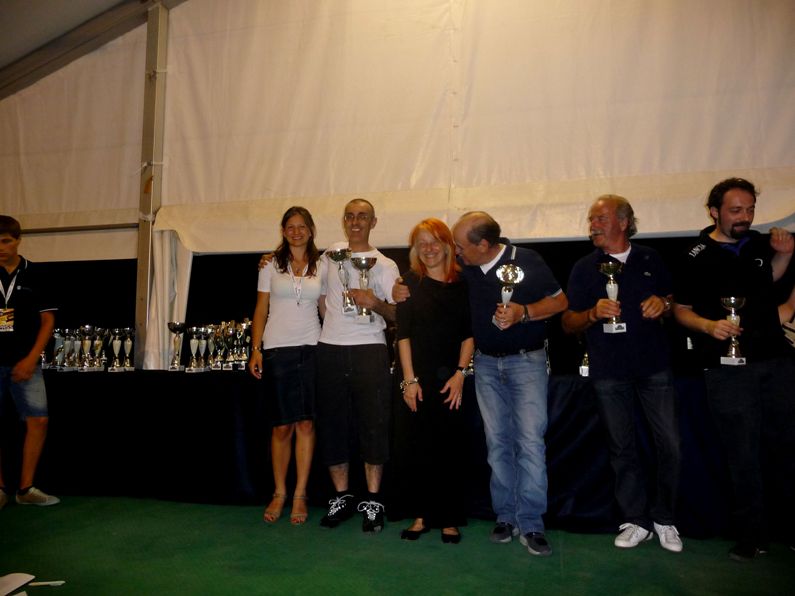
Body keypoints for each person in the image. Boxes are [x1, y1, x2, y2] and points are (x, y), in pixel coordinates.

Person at [397, 211, 567, 556]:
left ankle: (532, 523)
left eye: (459, 245)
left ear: (484, 244)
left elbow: (561, 301)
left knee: (529, 442)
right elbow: (429, 283)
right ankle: (505, 517)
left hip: (526, 361)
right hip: (487, 364)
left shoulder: (527, 260)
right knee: (497, 443)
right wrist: (399, 289)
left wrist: (524, 312)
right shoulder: (465, 270)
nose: (455, 251)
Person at [673, 178, 795, 562]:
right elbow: (680, 310)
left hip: (775, 360)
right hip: (726, 369)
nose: (745, 217)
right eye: (736, 211)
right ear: (714, 212)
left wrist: (784, 256)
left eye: (750, 209)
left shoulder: (761, 244)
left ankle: (790, 530)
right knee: (741, 454)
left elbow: (767, 282)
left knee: (786, 448)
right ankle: (751, 536)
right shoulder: (693, 254)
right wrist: (709, 326)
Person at [561, 195, 683, 553]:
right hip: (609, 371)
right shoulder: (584, 267)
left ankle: (665, 518)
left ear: (624, 222)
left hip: (654, 367)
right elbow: (567, 323)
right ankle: (636, 520)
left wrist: (664, 303)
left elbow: (673, 301)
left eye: (601, 218)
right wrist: (591, 314)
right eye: (591, 220)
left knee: (671, 444)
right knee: (621, 447)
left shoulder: (650, 258)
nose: (593, 225)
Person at [315, 198, 399, 533]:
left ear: (373, 222)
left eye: (362, 216)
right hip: (330, 349)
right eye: (350, 216)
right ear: (344, 220)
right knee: (332, 426)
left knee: (374, 426)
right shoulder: (331, 255)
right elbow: (319, 295)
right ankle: (341, 497)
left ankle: (373, 501)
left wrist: (374, 303)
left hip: (370, 350)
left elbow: (397, 313)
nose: (355, 222)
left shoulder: (385, 265)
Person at [395, 218, 474, 544]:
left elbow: (469, 334)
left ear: (447, 246)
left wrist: (460, 374)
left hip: (452, 380)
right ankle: (421, 516)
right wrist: (409, 381)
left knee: (450, 449)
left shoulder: (464, 284)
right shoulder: (408, 284)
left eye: (434, 242)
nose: (428, 249)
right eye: (421, 243)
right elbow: (403, 335)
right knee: (419, 448)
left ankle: (450, 519)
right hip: (418, 379)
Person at [249, 207, 326, 525]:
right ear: (283, 231)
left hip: (312, 348)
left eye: (302, 226)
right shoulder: (269, 264)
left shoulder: (323, 264)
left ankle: (300, 494)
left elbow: (325, 307)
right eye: (290, 227)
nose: (296, 232)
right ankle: (279, 492)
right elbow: (261, 308)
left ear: (311, 230)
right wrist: (255, 349)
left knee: (306, 425)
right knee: (281, 426)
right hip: (277, 349)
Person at [0, 215, 59, 509]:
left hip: (26, 360)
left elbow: (47, 321)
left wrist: (31, 358)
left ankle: (26, 488)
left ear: (18, 240)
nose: (0, 248)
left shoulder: (36, 274)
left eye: (6, 241)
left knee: (38, 420)